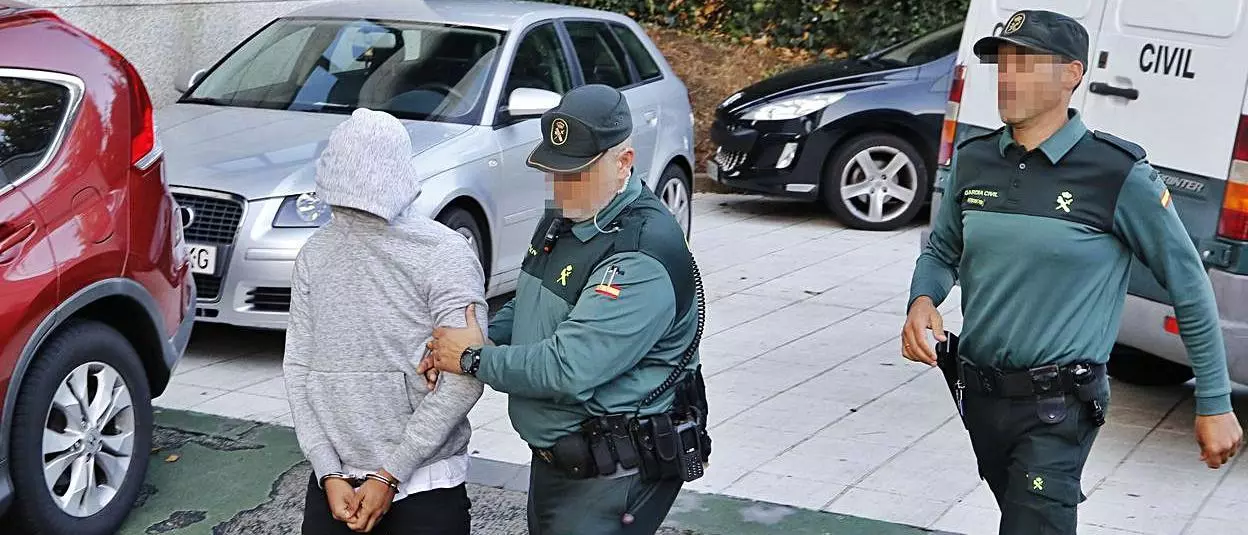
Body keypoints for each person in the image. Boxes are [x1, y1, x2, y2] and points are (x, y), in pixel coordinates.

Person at [902, 9, 1243, 534]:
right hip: (980, 397)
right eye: (1003, 63)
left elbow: (1189, 285)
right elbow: (942, 250)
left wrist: (1215, 403)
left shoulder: (1117, 173)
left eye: (1026, 64)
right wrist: (923, 300)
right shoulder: (975, 160)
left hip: (1058, 409)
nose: (1008, 76)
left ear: (1071, 75)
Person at [423, 84, 705, 535]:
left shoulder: (639, 256)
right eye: (554, 170)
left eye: (577, 173)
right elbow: (530, 302)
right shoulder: (570, 213)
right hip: (566, 464)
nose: (560, 186)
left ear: (623, 163)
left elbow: (568, 368)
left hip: (612, 476)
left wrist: (473, 358)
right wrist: (475, 337)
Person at [283, 108, 486, 535]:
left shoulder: (444, 253)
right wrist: (327, 469)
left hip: (425, 485)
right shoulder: (314, 254)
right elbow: (298, 365)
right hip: (333, 483)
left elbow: (466, 376)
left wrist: (390, 473)